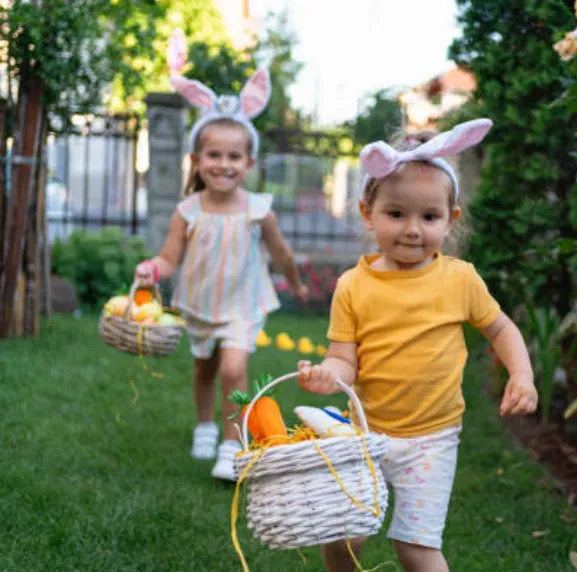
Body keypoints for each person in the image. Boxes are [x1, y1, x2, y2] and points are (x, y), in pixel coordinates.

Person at [297, 118, 538, 572]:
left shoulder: (459, 280)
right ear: (368, 213)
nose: (412, 229)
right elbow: (344, 357)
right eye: (396, 214)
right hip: (365, 434)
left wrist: (521, 374)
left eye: (429, 217)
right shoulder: (353, 286)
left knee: (416, 548)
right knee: (344, 533)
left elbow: (501, 328)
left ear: (451, 220)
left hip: (432, 438)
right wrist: (330, 375)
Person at [134, 69, 308, 481]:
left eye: (234, 157)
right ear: (196, 160)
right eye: (214, 155)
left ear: (249, 163)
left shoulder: (257, 208)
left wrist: (296, 283)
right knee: (205, 370)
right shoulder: (188, 210)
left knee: (233, 368)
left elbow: (280, 251)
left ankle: (231, 444)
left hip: (242, 305)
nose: (224, 164)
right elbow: (170, 259)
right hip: (199, 302)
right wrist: (151, 270)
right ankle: (204, 425)